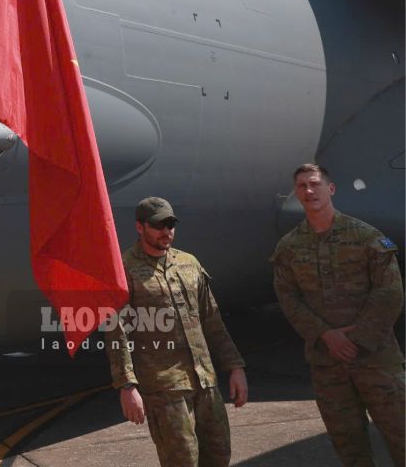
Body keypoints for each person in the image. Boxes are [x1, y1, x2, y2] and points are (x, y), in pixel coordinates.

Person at [271, 163, 404, 467]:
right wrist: (325, 335)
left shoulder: (365, 237)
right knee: (348, 445)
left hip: (377, 359)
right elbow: (288, 298)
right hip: (327, 363)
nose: (308, 190)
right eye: (302, 186)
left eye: (315, 184)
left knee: (401, 435)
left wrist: (356, 339)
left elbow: (390, 292)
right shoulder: (289, 247)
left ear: (330, 189)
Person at [105, 197, 248, 467]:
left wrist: (235, 367)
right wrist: (127, 385)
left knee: (219, 455)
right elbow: (117, 331)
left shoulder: (189, 263)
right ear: (140, 227)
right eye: (158, 225)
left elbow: (212, 319)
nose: (166, 230)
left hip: (204, 381)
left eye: (170, 224)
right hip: (164, 388)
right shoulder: (125, 270)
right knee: (182, 461)